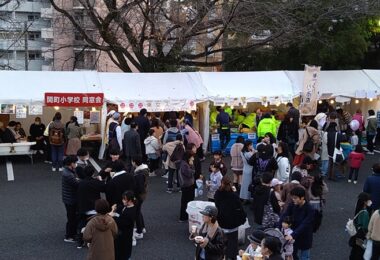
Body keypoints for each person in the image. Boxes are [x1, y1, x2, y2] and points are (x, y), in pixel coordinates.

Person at [214, 176, 246, 260]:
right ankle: (232, 257)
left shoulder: (218, 194)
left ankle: (222, 256)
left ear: (221, 183)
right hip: (233, 223)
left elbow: (217, 206)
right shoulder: (234, 196)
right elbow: (240, 208)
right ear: (230, 184)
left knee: (222, 241)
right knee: (233, 241)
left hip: (222, 221)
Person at [279, 187, 315, 260]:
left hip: (304, 235)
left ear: (302, 198)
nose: (293, 200)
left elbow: (305, 224)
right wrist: (278, 226)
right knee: (292, 254)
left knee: (304, 257)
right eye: (292, 198)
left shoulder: (310, 209)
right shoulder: (292, 204)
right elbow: (284, 215)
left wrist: (293, 234)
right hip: (293, 234)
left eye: (295, 198)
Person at [76, 166, 106, 249]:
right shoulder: (95, 182)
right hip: (94, 208)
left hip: (83, 208)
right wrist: (100, 180)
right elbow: (104, 188)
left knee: (81, 223)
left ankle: (79, 241)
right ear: (93, 173)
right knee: (96, 225)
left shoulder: (81, 182)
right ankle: (93, 241)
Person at [110, 191, 137, 260]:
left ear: (130, 200)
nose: (123, 200)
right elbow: (121, 209)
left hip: (124, 236)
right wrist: (115, 209)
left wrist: (113, 216)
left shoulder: (130, 212)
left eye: (124, 199)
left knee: (122, 253)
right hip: (123, 235)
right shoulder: (128, 207)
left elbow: (121, 222)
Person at [61, 155, 80, 243]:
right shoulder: (68, 174)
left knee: (73, 217)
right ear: (71, 164)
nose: (76, 164)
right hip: (70, 199)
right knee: (72, 218)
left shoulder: (68, 171)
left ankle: (72, 233)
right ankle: (69, 236)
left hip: (69, 198)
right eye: (75, 163)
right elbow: (77, 184)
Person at [349, 192, 371, 260]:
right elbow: (365, 227)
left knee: (355, 251)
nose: (370, 201)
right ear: (365, 202)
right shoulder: (365, 213)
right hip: (361, 236)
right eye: (368, 200)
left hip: (356, 234)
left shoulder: (359, 209)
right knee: (359, 253)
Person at [132, 157, 149, 240]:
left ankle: (139, 232)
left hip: (139, 196)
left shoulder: (139, 174)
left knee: (136, 213)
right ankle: (142, 227)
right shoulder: (144, 170)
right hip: (142, 195)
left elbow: (140, 187)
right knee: (138, 211)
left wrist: (135, 196)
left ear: (134, 162)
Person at [179, 150, 196, 222]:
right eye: (192, 157)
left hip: (187, 185)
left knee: (186, 201)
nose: (193, 159)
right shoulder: (185, 165)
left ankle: (185, 216)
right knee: (186, 201)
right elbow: (190, 174)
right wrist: (192, 166)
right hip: (187, 185)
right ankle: (183, 217)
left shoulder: (184, 163)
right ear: (188, 157)